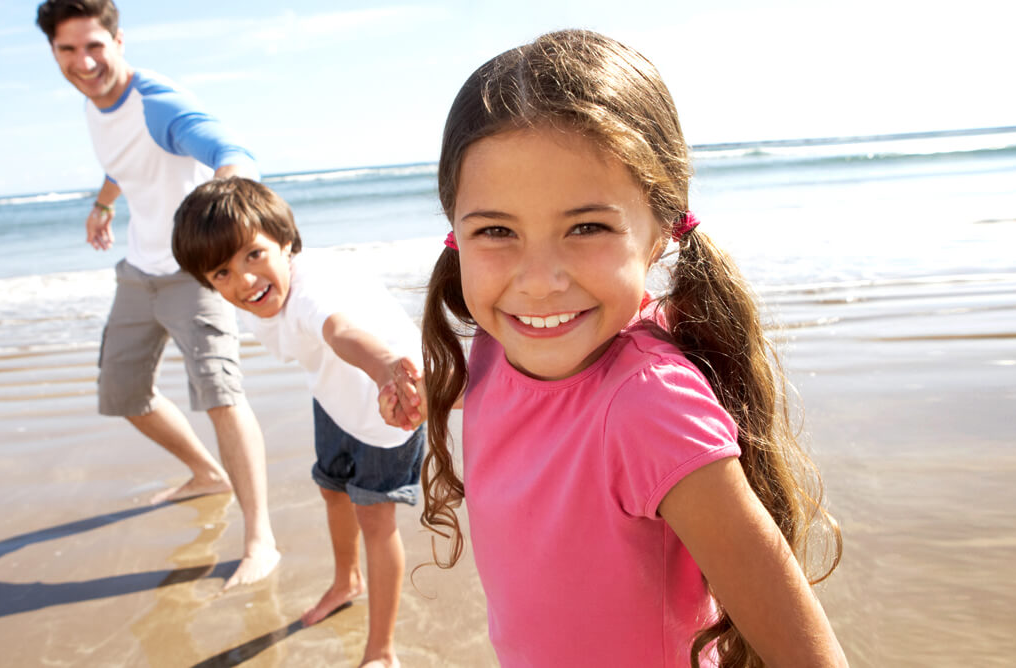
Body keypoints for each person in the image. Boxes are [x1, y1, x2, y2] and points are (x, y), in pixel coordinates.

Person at [404, 30, 846, 667]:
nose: (538, 279)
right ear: (456, 233)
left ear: (662, 229)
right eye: (496, 230)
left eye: (587, 227)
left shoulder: (649, 409)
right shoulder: (499, 347)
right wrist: (417, 386)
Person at [37, 0, 278, 589]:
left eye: (94, 45)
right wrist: (104, 204)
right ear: (55, 54)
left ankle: (260, 540)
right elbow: (124, 160)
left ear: (119, 40)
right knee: (122, 393)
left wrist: (213, 221)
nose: (83, 61)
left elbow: (234, 154)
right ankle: (206, 473)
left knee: (221, 397)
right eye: (68, 50)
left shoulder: (158, 103)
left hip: (193, 276)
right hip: (138, 271)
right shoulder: (96, 103)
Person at [173, 178, 425, 668]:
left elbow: (341, 330)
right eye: (222, 273)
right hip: (333, 399)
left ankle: (381, 651)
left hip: (389, 406)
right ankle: (346, 581)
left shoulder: (312, 289)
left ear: (285, 241)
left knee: (375, 519)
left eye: (253, 254)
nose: (244, 281)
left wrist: (387, 370)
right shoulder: (256, 296)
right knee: (332, 490)